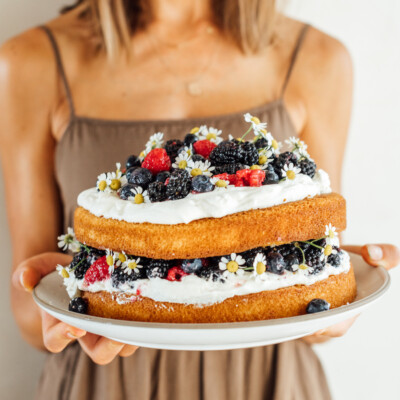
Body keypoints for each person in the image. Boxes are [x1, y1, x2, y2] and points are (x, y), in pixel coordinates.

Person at [0, 1, 398, 399]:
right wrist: (65, 308)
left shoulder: (318, 57)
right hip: (105, 383)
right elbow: (27, 310)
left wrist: (329, 306)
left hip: (269, 381)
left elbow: (315, 248)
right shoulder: (29, 60)